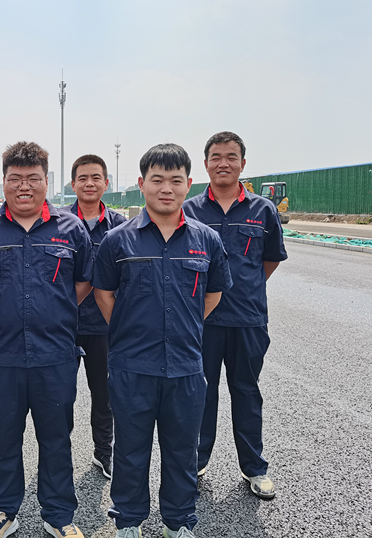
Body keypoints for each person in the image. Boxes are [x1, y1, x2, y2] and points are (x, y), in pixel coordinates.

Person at [93, 144, 232, 538]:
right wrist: (132, 329)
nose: (166, 188)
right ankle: (129, 520)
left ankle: (179, 521)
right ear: (142, 184)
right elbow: (104, 294)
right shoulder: (117, 241)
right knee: (130, 451)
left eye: (175, 180)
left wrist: (181, 327)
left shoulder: (206, 240)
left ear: (189, 184)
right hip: (132, 367)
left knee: (182, 451)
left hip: (185, 367)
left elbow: (213, 294)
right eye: (157, 180)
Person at [0, 141, 93, 538]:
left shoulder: (71, 228)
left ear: (46, 180)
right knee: (3, 439)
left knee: (57, 439)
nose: (24, 186)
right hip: (1, 356)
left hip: (55, 355)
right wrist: (2, 310)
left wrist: (53, 311)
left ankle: (59, 515)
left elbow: (83, 282)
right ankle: (2, 511)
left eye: (32, 178)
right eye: (15, 178)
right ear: (3, 181)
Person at [182, 131, 287, 499]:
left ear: (243, 163)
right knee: (200, 394)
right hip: (201, 320)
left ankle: (254, 468)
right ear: (205, 164)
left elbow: (269, 260)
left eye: (231, 157)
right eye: (216, 157)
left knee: (247, 392)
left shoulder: (263, 210)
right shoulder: (189, 211)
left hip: (248, 320)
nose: (223, 163)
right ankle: (195, 463)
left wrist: (245, 288)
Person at [61, 154, 126, 479]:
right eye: (83, 178)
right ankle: (60, 455)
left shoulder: (121, 227)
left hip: (104, 325)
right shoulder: (57, 223)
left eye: (96, 177)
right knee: (61, 395)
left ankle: (104, 452)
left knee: (104, 395)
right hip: (64, 325)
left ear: (106, 183)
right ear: (73, 184)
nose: (89, 183)